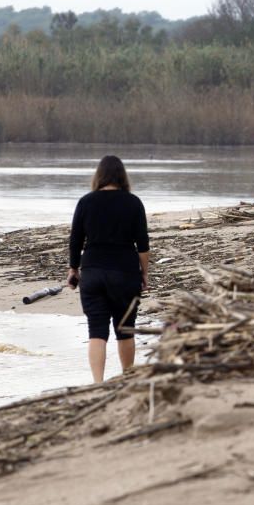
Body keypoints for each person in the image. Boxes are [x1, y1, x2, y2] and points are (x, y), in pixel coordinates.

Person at [67, 155, 149, 382]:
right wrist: (145, 273)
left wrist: (73, 269)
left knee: (97, 331)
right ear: (123, 176)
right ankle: (127, 378)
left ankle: (98, 383)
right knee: (125, 329)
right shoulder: (133, 203)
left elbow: (75, 240)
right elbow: (143, 245)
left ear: (99, 176)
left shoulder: (86, 202)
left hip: (92, 272)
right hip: (125, 273)